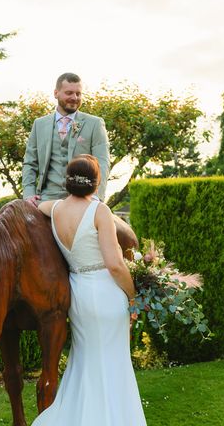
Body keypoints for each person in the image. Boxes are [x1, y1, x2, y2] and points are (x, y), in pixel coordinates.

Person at [33, 154, 147, 426]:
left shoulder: (56, 209)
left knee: (86, 361)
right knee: (113, 363)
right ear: (96, 183)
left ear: (68, 182)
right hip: (106, 292)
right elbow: (116, 265)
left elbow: (41, 207)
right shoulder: (100, 211)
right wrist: (134, 297)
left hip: (79, 295)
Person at [23, 72, 110, 206]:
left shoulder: (95, 124)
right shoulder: (39, 124)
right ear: (56, 93)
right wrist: (29, 194)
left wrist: (96, 197)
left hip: (83, 199)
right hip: (46, 198)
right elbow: (30, 163)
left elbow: (102, 163)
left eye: (78, 94)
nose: (74, 98)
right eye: (69, 93)